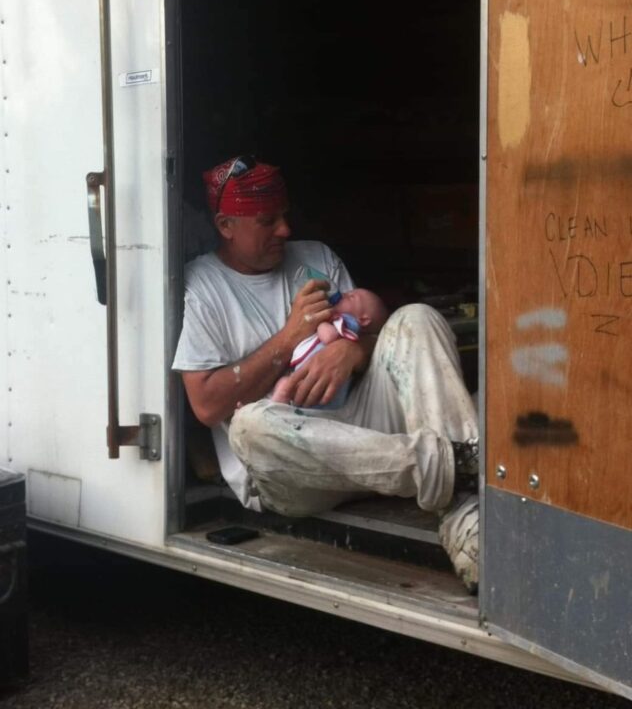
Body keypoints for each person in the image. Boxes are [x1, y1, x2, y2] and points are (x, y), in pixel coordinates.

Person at [172, 155, 480, 592]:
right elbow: (206, 405)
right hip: (299, 470)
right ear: (225, 225)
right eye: (267, 221)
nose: (285, 230)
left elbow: (380, 336)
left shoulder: (315, 257)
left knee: (417, 317)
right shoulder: (202, 286)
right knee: (249, 426)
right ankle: (455, 466)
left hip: (371, 440)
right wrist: (289, 337)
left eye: (285, 216)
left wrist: (355, 350)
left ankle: (468, 520)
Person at [271, 287, 389, 409]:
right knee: (286, 386)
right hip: (314, 382)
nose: (343, 294)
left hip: (321, 386)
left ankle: (276, 409)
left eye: (351, 297)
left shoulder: (347, 323)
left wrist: (321, 323)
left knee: (286, 386)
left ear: (363, 320)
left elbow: (329, 337)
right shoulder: (340, 323)